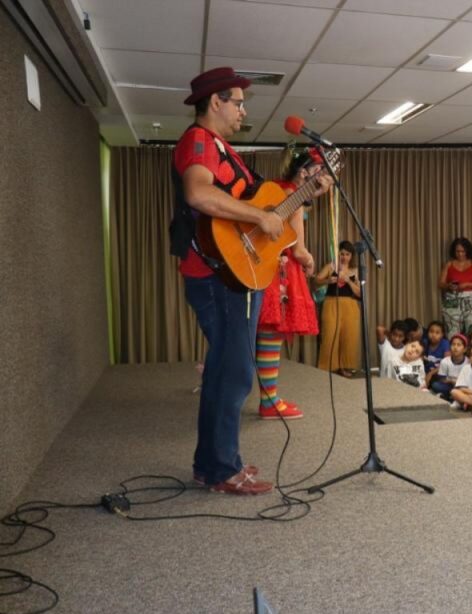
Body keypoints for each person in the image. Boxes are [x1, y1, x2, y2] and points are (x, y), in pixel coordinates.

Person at [171, 67, 332, 495]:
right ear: (216, 102)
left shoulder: (224, 149)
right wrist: (260, 216)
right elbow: (199, 194)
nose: (243, 109)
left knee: (226, 371)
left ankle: (213, 464)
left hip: (230, 272)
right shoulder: (200, 141)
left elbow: (261, 208)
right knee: (236, 372)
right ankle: (222, 467)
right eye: (238, 101)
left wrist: (301, 196)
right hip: (220, 275)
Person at [254, 149, 323, 420]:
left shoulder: (279, 187)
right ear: (305, 172)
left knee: (260, 335)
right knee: (271, 335)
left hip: (265, 267)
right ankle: (269, 401)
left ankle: (267, 397)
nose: (324, 179)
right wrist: (309, 261)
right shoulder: (294, 194)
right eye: (321, 172)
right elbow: (298, 249)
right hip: (279, 272)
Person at [315, 240, 361, 377]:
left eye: (347, 254)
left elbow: (360, 293)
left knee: (349, 336)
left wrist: (348, 281)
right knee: (329, 334)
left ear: (351, 256)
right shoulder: (331, 267)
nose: (344, 257)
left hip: (350, 307)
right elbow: (316, 281)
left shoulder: (355, 271)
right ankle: (327, 367)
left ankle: (345, 367)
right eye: (342, 253)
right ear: (338, 253)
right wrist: (328, 280)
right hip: (331, 304)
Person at [438, 237, 472, 337]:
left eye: (463, 251)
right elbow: (441, 284)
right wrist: (449, 286)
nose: (460, 254)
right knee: (452, 333)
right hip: (452, 300)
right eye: (457, 251)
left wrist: (468, 284)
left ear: (467, 251)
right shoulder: (449, 265)